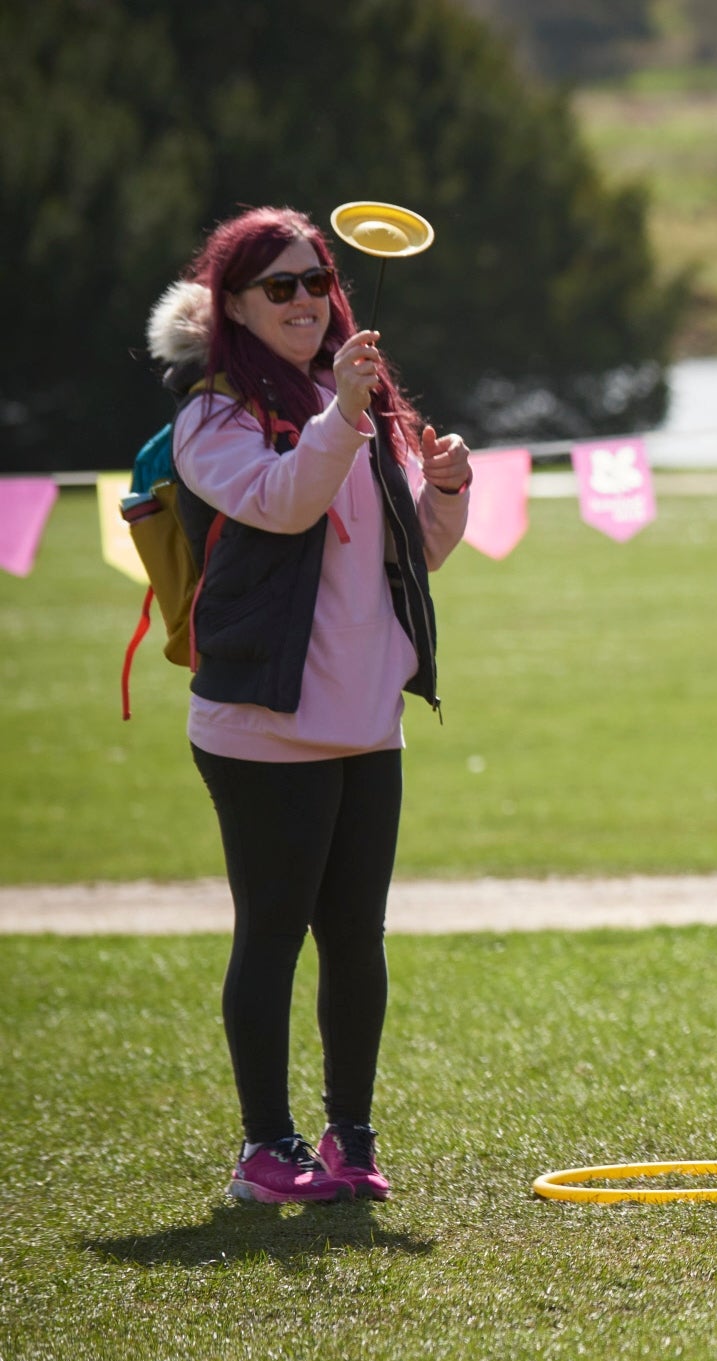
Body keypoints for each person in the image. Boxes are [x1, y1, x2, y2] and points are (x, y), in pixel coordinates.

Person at [148, 207, 472, 1203]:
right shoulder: (213, 416)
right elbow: (284, 500)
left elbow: (409, 554)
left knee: (356, 937)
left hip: (367, 718)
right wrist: (344, 410)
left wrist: (449, 488)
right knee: (273, 932)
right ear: (231, 307)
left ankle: (351, 1138)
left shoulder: (359, 404)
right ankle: (263, 1149)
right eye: (276, 286)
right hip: (263, 723)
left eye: (314, 281)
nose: (303, 300)